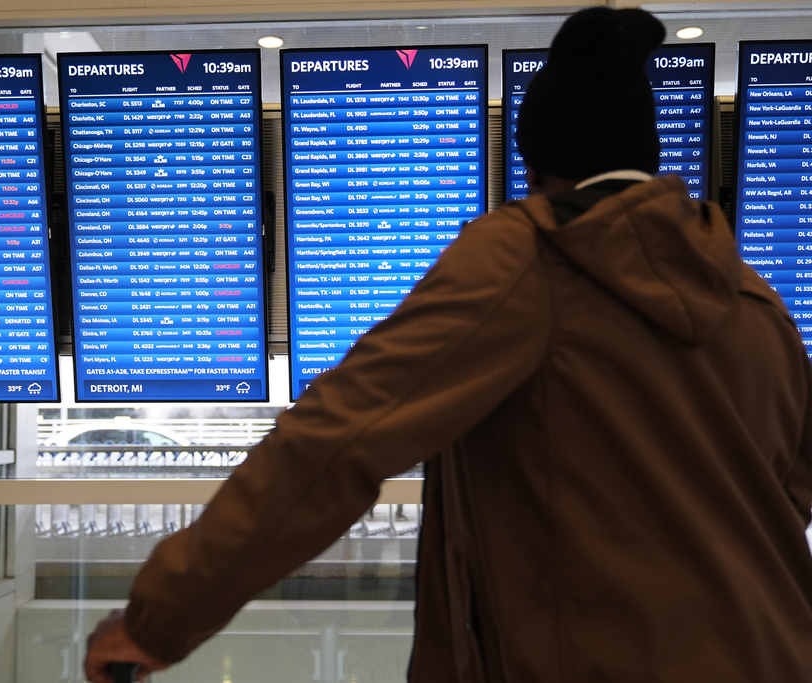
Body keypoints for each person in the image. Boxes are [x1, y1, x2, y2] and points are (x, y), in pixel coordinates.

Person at [85, 8, 812, 682]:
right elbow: (792, 487)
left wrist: (159, 619)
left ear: (536, 170)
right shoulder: (754, 298)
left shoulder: (532, 257)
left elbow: (338, 437)